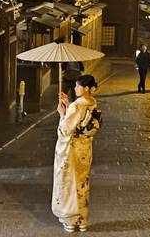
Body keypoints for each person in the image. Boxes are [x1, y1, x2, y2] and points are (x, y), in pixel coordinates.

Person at [52, 74, 99, 233]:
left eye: (78, 86)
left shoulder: (77, 106)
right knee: (82, 182)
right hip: (86, 148)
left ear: (86, 88)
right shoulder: (91, 102)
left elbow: (65, 129)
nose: (75, 88)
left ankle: (71, 221)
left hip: (72, 148)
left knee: (69, 183)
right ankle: (83, 220)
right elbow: (81, 119)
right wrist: (68, 104)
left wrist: (62, 114)